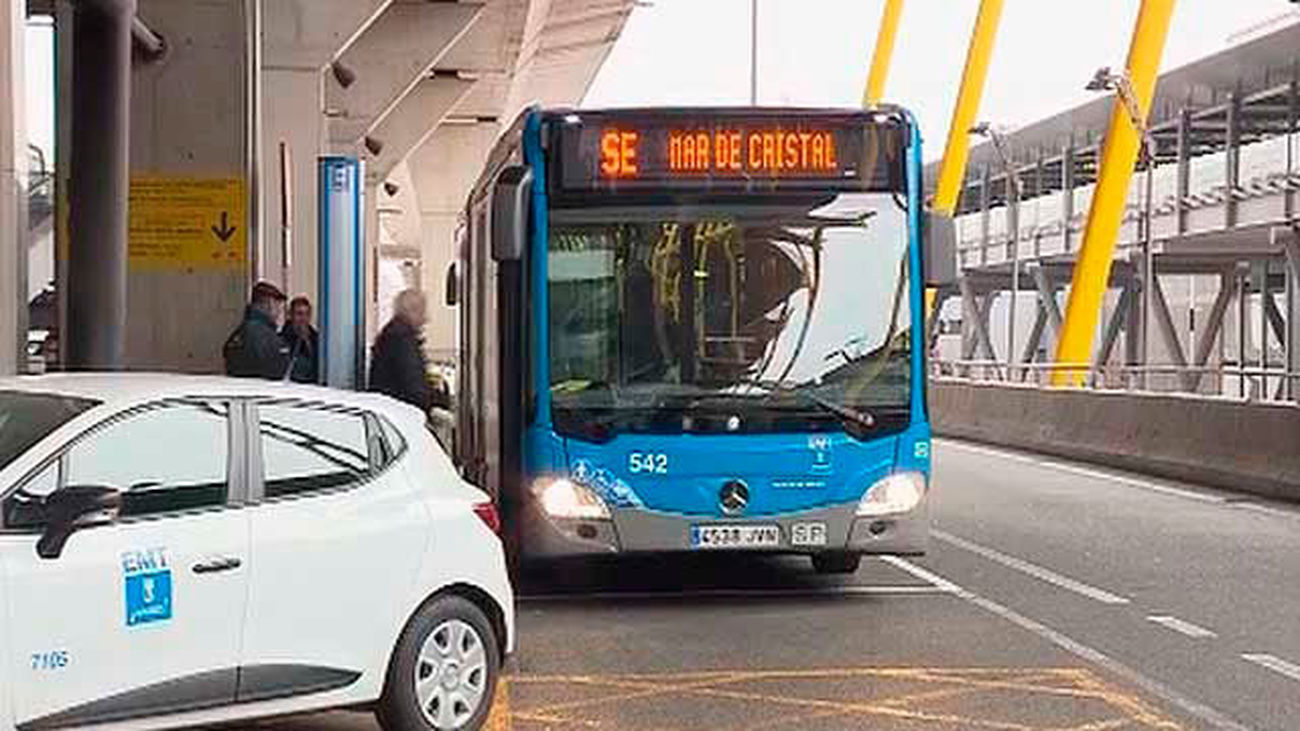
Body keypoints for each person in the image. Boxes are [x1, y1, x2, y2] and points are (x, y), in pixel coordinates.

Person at [369, 289, 433, 410]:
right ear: (412, 311)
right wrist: (433, 402)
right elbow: (413, 385)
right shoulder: (402, 339)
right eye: (422, 312)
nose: (426, 319)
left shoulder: (392, 334)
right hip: (400, 411)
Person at [223, 281, 291, 380]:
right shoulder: (264, 336)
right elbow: (278, 369)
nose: (280, 311)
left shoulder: (240, 333)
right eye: (278, 304)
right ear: (269, 303)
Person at [281, 296, 319, 384]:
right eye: (299, 314)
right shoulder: (282, 339)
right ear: (290, 315)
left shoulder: (317, 339)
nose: (303, 319)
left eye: (307, 314)